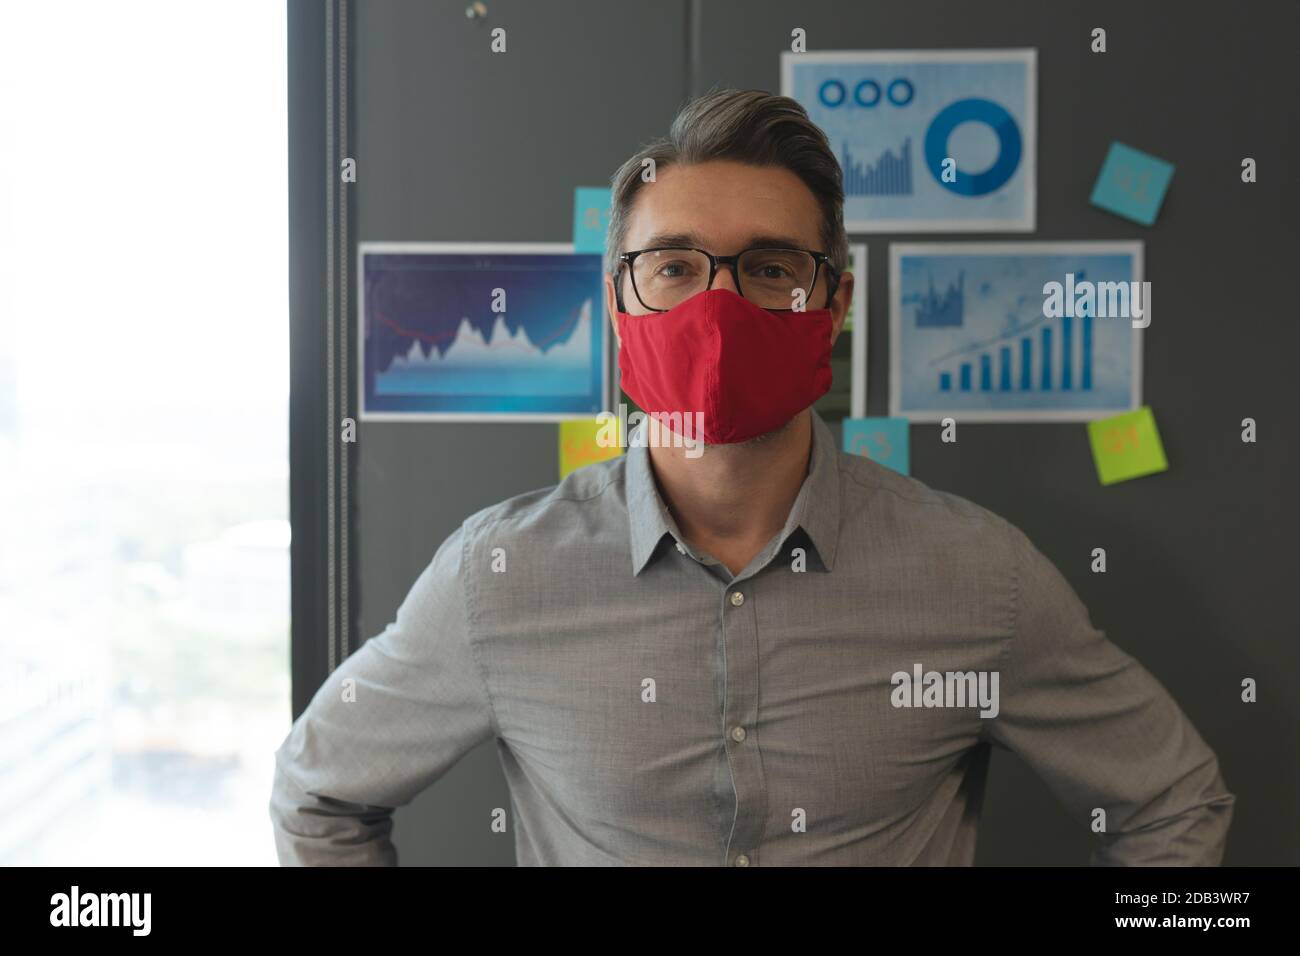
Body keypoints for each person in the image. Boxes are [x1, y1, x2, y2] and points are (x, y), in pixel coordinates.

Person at [270, 88, 1234, 865]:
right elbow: (320, 794)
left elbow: (1174, 804)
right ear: (619, 303)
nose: (720, 307)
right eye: (676, 267)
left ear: (835, 303)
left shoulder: (979, 577)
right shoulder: (497, 578)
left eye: (771, 268)